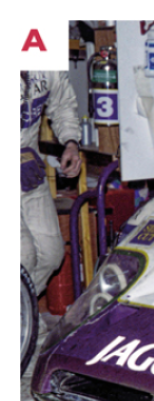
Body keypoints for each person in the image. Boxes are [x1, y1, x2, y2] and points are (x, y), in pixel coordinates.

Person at [20, 70, 82, 295]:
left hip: (28, 169)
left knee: (51, 254)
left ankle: (23, 314)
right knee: (22, 255)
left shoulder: (45, 62)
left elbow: (63, 104)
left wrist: (71, 142)